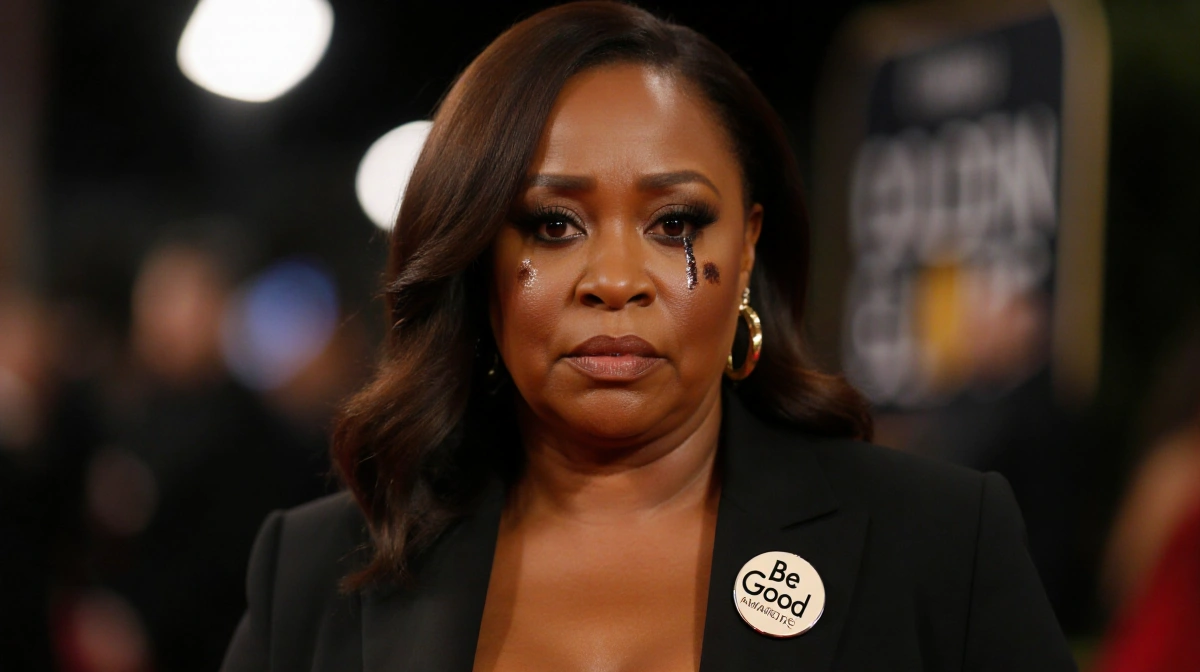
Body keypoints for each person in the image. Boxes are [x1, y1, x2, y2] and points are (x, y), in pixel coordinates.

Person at [221, 3, 1074, 670]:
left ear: (747, 251)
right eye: (553, 224)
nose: (615, 279)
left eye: (675, 223)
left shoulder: (939, 543)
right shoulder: (312, 571)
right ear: (478, 257)